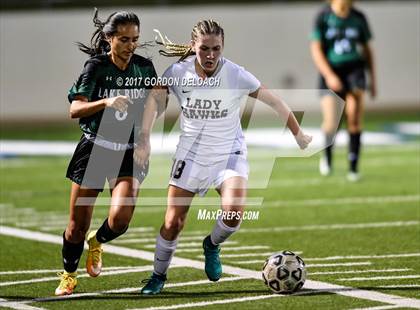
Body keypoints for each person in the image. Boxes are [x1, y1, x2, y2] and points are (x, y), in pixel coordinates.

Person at [134, 20, 312, 295]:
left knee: (233, 212)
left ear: (223, 47)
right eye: (204, 48)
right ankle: (158, 276)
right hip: (190, 155)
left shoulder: (235, 74)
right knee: (172, 222)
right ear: (193, 46)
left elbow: (275, 101)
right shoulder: (177, 72)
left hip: (229, 154)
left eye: (216, 48)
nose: (210, 55)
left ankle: (212, 245)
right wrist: (144, 137)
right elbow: (154, 102)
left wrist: (298, 134)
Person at [55, 9, 157, 296]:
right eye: (124, 39)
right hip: (95, 147)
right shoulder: (95, 67)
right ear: (109, 38)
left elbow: (152, 103)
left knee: (121, 218)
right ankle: (68, 275)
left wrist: (145, 138)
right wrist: (106, 102)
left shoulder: (144, 68)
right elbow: (75, 109)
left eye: (135, 39)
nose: (130, 45)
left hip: (127, 150)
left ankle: (97, 241)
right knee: (76, 225)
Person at [310, 0, 376, 181]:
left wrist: (373, 80)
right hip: (331, 70)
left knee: (354, 117)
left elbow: (367, 49)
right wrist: (329, 75)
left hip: (355, 70)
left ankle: (353, 167)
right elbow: (316, 49)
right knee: (332, 122)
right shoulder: (323, 16)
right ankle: (327, 157)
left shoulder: (358, 17)